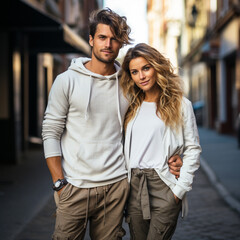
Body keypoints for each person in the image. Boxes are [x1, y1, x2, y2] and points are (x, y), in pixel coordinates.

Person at [42, 8, 182, 240]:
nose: (108, 44)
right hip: (74, 187)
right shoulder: (66, 81)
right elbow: (50, 131)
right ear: (91, 40)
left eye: (115, 39)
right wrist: (59, 183)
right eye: (102, 37)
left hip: (116, 188)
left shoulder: (128, 83)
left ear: (121, 43)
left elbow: (153, 119)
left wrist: (177, 154)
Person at [120, 43, 201, 240]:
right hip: (134, 186)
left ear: (157, 67)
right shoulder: (129, 106)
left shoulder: (181, 104)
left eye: (146, 68)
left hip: (164, 185)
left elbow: (193, 148)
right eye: (135, 71)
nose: (142, 76)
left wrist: (178, 191)